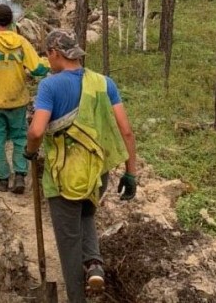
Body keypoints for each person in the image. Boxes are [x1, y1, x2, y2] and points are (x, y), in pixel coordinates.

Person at [25, 30, 137, 302]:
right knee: (87, 215)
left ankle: (77, 297)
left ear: (55, 53)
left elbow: (37, 131)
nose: (46, 59)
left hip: (64, 176)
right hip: (97, 173)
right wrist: (130, 172)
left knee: (68, 241)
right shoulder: (104, 83)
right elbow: (126, 131)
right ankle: (95, 265)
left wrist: (30, 152)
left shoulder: (49, 86)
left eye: (46, 54)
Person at [0, 4, 49, 194]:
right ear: (11, 21)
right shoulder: (21, 42)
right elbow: (37, 69)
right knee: (20, 137)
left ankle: (2, 180)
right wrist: (49, 63)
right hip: (17, 100)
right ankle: (20, 174)